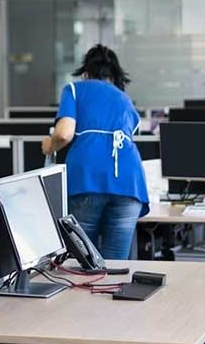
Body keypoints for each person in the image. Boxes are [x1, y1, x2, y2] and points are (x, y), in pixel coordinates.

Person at [41, 44, 148, 259]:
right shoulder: (125, 100)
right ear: (116, 75)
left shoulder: (74, 90)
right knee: (115, 264)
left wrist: (49, 146)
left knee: (83, 262)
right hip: (129, 184)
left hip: (87, 179)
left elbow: (64, 134)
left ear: (86, 72)